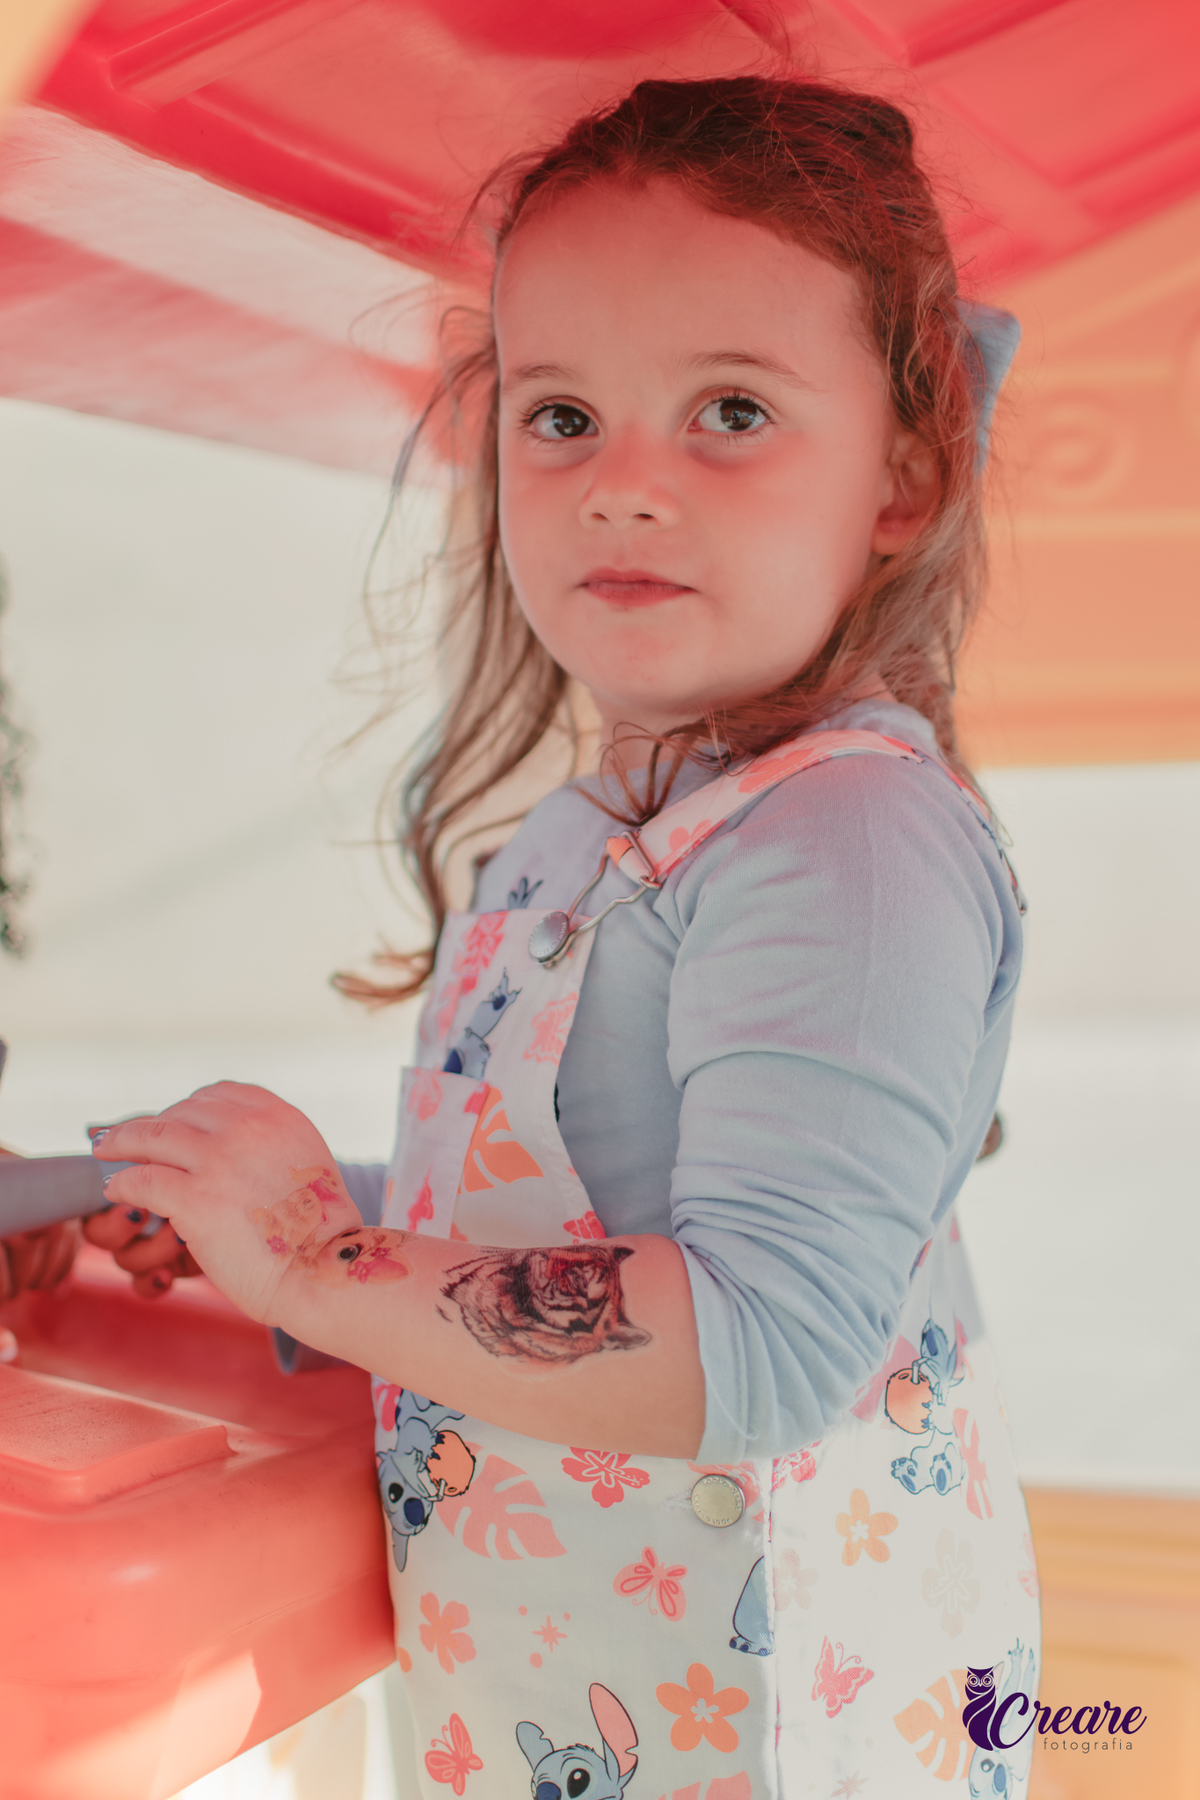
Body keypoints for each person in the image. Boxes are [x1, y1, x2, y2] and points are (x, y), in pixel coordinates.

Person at [86, 76, 1040, 1797]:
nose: (624, 487)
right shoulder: (598, 831)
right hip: (574, 1691)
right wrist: (218, 1229)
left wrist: (319, 1263)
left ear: (904, 474)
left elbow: (758, 1337)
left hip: (778, 1736)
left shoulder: (849, 838)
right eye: (562, 417)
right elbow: (555, 1226)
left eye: (731, 411)